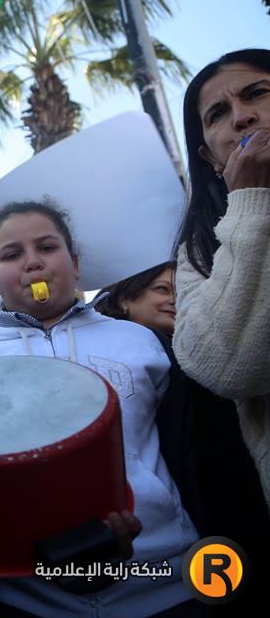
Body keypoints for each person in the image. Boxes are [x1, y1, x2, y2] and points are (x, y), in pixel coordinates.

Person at [0, 201, 200, 617]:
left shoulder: (141, 341)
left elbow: (189, 446)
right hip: (30, 596)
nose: (32, 262)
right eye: (12, 255)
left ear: (75, 264)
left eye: (47, 247)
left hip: (166, 582)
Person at [99, 261, 270, 614]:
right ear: (125, 298)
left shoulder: (202, 354)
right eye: (162, 290)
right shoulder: (112, 360)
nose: (174, 300)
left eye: (180, 291)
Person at [174, 48, 270, 512]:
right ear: (209, 156)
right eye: (218, 114)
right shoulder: (199, 250)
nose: (242, 117)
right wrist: (251, 203)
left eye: (258, 93)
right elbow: (226, 366)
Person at [96, 261, 177, 335]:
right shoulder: (102, 341)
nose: (175, 301)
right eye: (162, 289)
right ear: (123, 299)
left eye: (179, 294)